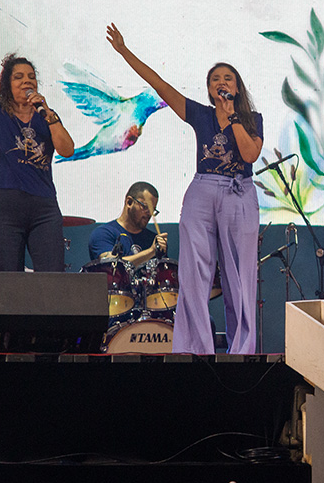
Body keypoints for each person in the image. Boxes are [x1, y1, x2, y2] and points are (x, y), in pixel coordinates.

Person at [106, 24, 263, 354]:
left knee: (240, 275)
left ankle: (242, 351)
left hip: (239, 193)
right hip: (203, 191)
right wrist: (124, 51)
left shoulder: (252, 119)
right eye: (215, 79)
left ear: (237, 88)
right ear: (209, 89)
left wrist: (234, 118)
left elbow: (250, 155)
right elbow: (160, 85)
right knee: (194, 274)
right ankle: (195, 349)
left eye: (228, 78)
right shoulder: (200, 115)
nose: (221, 82)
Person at [0, 11, 75, 272]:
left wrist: (48, 113)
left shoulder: (46, 117)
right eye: (18, 77)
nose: (27, 81)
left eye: (31, 77)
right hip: (5, 206)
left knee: (52, 279)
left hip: (44, 208)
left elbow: (67, 150)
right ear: (7, 84)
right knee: (9, 282)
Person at [88, 182, 168, 267]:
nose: (149, 214)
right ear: (129, 202)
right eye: (145, 207)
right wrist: (150, 252)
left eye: (152, 210)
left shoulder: (152, 240)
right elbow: (111, 265)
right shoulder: (103, 233)